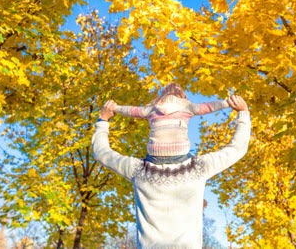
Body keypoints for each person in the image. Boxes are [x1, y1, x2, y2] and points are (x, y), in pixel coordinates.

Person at [92, 95, 250, 248]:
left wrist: (103, 120)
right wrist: (243, 113)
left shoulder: (139, 170)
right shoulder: (198, 168)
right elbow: (237, 148)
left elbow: (101, 152)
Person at [111, 83, 229, 162]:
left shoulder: (153, 107)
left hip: (155, 154)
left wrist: (116, 107)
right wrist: (227, 102)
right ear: (182, 94)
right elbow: (209, 106)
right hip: (179, 153)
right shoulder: (187, 106)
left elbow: (132, 110)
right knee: (194, 164)